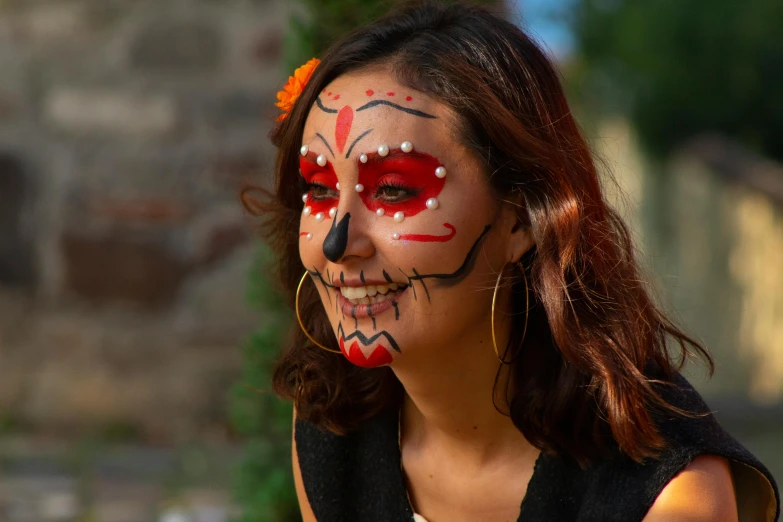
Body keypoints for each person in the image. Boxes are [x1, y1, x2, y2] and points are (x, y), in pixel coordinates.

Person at [246, 2, 780, 520]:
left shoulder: (668, 500)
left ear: (524, 218)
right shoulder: (334, 423)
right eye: (318, 189)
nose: (338, 242)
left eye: (391, 189)